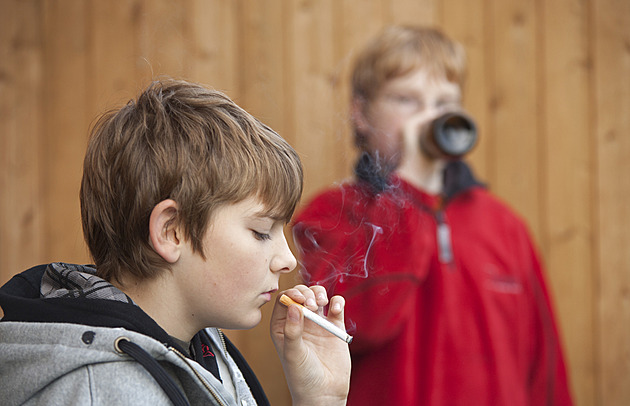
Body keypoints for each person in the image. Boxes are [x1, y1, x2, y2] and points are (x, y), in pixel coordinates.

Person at [0, 79, 350, 406]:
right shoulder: (109, 393)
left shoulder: (204, 348)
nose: (287, 259)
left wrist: (320, 399)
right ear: (172, 232)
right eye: (261, 231)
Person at [292, 25, 573, 405]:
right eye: (406, 100)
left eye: (443, 103)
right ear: (360, 112)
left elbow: (545, 370)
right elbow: (359, 326)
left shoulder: (505, 226)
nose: (428, 117)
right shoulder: (331, 215)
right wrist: (409, 188)